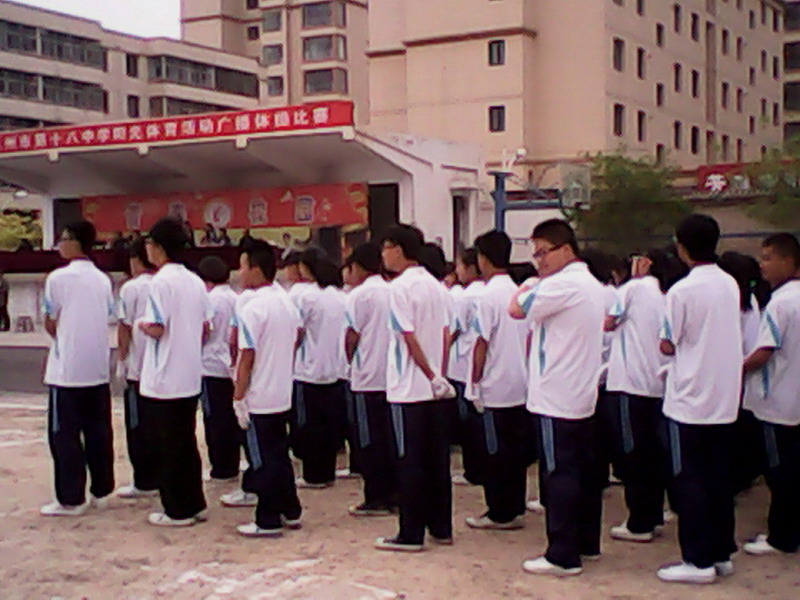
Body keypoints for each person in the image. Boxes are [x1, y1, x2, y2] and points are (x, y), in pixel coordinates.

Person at [509, 219, 606, 577]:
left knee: (558, 474)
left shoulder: (562, 284)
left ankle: (562, 553)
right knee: (582, 472)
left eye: (543, 252)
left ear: (565, 249)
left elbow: (515, 308)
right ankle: (586, 542)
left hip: (555, 395)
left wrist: (531, 283)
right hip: (580, 392)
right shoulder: (590, 283)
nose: (539, 261)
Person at [657, 214, 742, 584]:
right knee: (718, 480)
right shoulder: (729, 283)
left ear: (681, 246)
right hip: (724, 398)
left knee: (689, 481)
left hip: (689, 400)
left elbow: (667, 343)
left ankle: (697, 560)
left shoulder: (682, 291)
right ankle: (721, 553)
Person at [375, 224, 455, 553]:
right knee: (436, 460)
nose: (383, 254)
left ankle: (411, 533)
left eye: (386, 247)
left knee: (409, 461)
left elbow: (408, 337)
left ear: (398, 248)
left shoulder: (400, 288)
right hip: (435, 390)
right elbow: (446, 334)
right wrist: (440, 375)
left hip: (409, 388)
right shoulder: (437, 286)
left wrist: (430, 373)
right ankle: (441, 526)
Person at [139, 217, 213, 527]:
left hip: (164, 376)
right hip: (189, 373)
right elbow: (206, 328)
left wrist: (142, 326)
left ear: (158, 247)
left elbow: (157, 326)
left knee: (167, 445)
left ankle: (177, 509)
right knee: (185, 441)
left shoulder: (160, 282)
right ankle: (194, 502)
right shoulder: (195, 281)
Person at [40, 220, 116, 517]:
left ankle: (71, 497)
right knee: (98, 431)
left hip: (68, 370)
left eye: (63, 238)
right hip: (97, 366)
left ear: (75, 241)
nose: (60, 244)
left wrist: (63, 336)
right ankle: (101, 489)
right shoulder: (102, 279)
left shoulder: (58, 278)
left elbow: (50, 319)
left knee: (65, 435)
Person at [231, 241, 303, 537]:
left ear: (256, 269)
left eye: (243, 266)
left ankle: (268, 518)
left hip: (260, 394)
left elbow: (246, 356)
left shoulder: (253, 308)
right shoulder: (285, 301)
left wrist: (238, 396)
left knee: (263, 459)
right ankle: (290, 509)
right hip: (282, 390)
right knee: (279, 454)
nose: (240, 273)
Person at [464, 230, 532, 531]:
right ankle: (515, 507)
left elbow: (481, 343)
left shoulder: (487, 296)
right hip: (520, 382)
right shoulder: (518, 292)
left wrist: (474, 382)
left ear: (483, 259)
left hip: (495, 385)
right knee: (515, 451)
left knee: (495, 451)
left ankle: (499, 512)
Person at [604, 250, 670, 543]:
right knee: (653, 454)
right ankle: (653, 515)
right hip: (656, 383)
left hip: (630, 384)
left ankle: (639, 523)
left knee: (633, 455)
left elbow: (608, 322)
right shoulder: (665, 293)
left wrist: (632, 280)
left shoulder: (633, 288)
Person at [742, 233, 800, 556]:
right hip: (795, 398)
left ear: (789, 261)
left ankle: (782, 537)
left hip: (777, 401)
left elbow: (765, 350)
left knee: (780, 472)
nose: (762, 265)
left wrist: (734, 371)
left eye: (768, 258)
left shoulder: (781, 303)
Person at [343, 243, 395, 516]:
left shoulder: (359, 295)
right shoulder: (392, 290)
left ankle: (375, 497)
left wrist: (350, 361)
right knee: (389, 438)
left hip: (367, 377)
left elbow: (351, 335)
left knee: (368, 440)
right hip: (392, 376)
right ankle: (394, 495)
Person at [290, 250, 348, 489]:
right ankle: (327, 471)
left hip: (309, 370)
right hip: (335, 369)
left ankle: (314, 475)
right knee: (329, 424)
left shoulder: (306, 296)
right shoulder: (340, 296)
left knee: (309, 425)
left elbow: (297, 331)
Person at [115, 238, 158, 499]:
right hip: (161, 369)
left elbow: (124, 327)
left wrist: (122, 359)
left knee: (137, 426)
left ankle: (144, 480)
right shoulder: (163, 284)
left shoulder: (131, 288)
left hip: (139, 368)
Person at [197, 256, 241, 490]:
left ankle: (222, 468)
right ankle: (233, 462)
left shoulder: (210, 299)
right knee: (230, 417)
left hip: (211, 363)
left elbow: (205, 330)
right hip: (230, 364)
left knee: (215, 419)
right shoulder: (236, 297)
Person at [449, 247, 485, 487]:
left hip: (463, 365)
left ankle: (473, 470)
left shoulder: (466, 296)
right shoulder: (488, 291)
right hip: (482, 363)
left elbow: (455, 329)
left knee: (469, 422)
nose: (457, 271)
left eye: (460, 266)